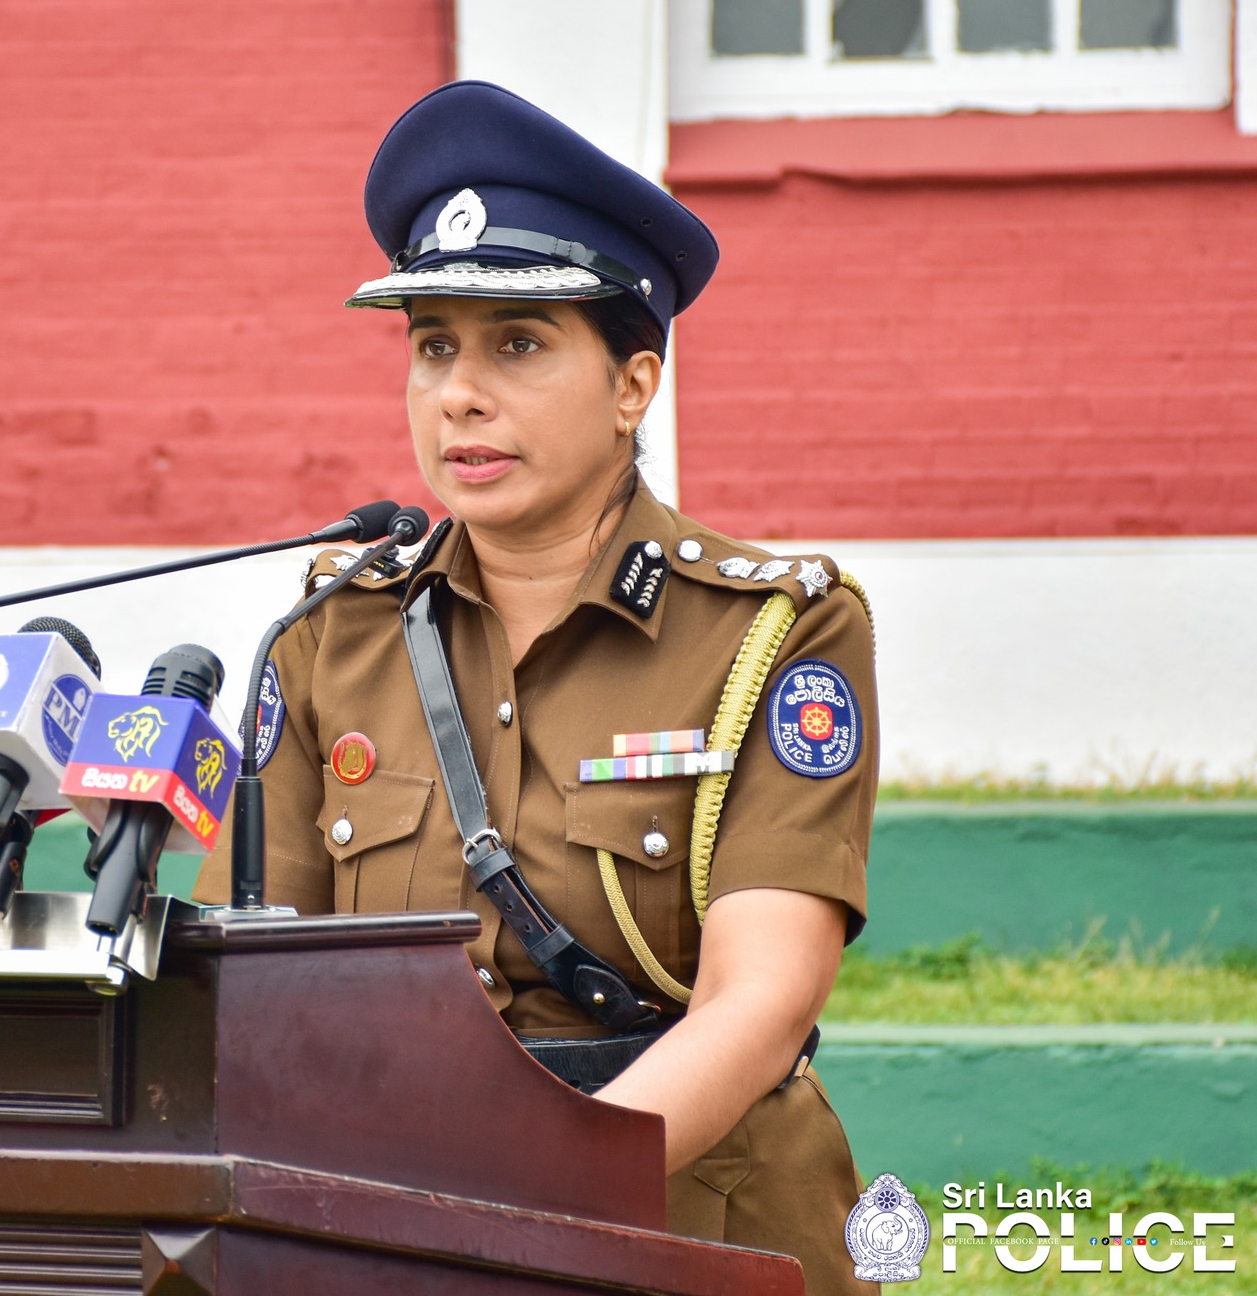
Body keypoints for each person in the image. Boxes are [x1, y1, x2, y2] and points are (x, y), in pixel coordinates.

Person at [192, 81, 880, 1295]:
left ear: (631, 385)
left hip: (689, 1219)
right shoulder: (330, 631)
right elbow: (254, 991)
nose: (459, 393)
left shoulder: (773, 632)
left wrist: (527, 1208)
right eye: (432, 348)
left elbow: (760, 1000)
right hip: (393, 1220)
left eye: (516, 344)